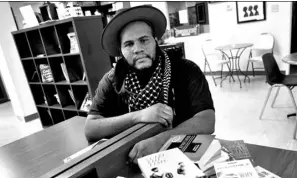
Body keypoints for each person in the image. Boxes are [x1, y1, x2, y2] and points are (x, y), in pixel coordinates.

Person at [85, 6, 215, 164]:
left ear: (156, 40)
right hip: (130, 159)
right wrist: (138, 116)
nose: (137, 49)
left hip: (182, 157)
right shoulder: (112, 80)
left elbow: (207, 120)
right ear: (120, 50)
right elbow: (90, 128)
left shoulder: (186, 70)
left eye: (144, 40)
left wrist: (160, 140)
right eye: (128, 44)